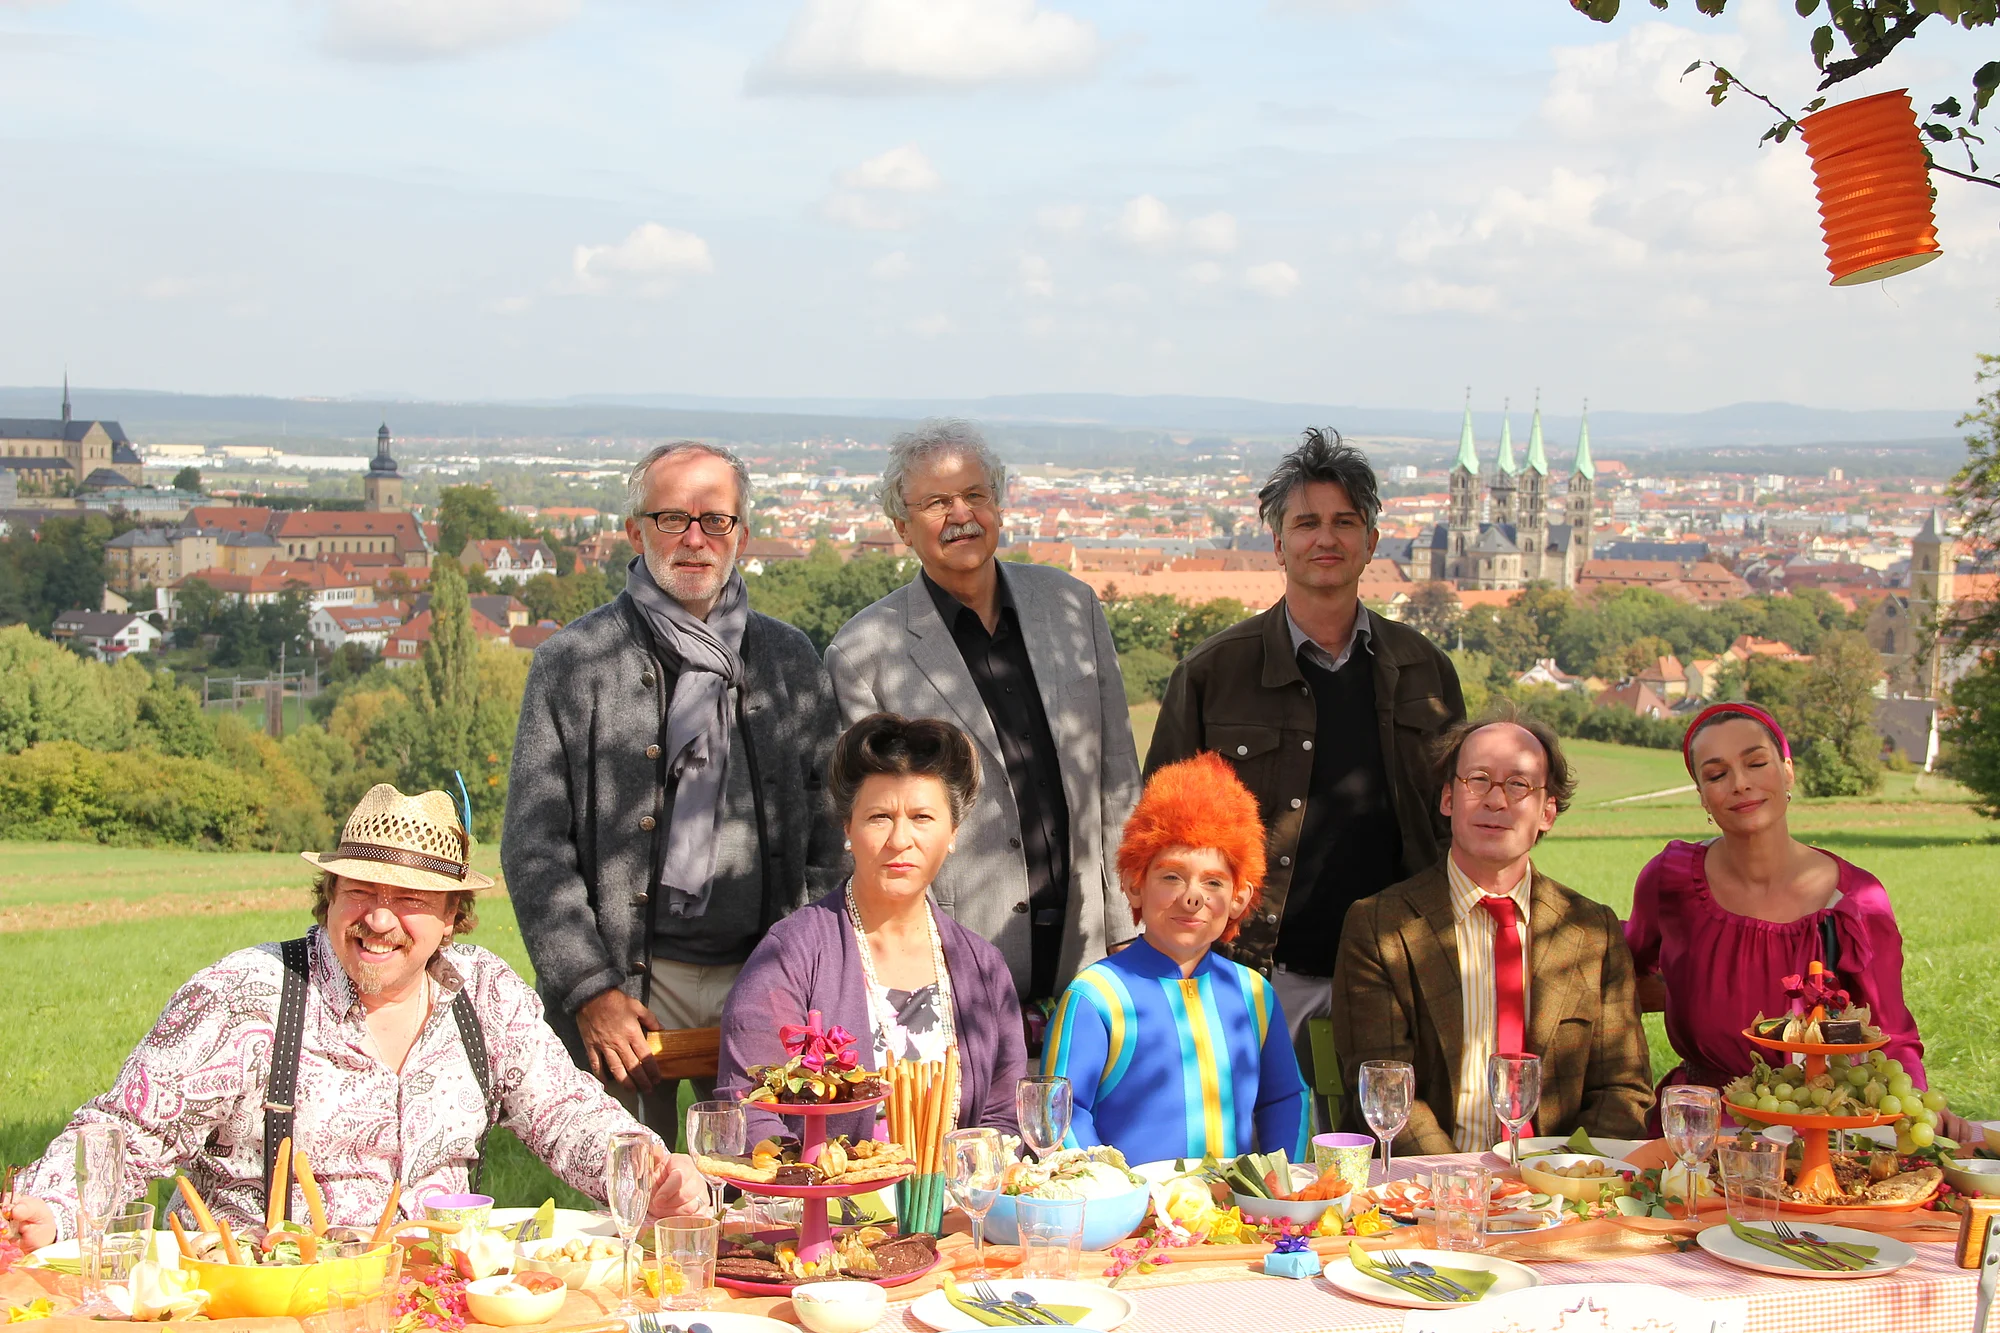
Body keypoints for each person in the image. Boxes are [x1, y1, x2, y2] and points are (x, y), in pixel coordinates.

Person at [2, 785, 706, 1249]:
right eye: (358, 890)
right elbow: (126, 1129)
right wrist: (51, 1208)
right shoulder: (246, 995)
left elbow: (565, 1110)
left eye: (409, 899)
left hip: (431, 1302)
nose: (377, 917)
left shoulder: (483, 995)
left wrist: (645, 1167)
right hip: (262, 1307)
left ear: (453, 918)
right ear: (328, 894)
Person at [504, 440, 846, 1130]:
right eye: (671, 519)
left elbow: (830, 830)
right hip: (628, 993)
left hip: (767, 982)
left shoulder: (788, 658)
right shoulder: (572, 663)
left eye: (715, 520)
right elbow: (536, 845)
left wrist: (803, 971)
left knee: (769, 1195)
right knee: (633, 1205)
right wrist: (589, 987)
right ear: (634, 532)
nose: (695, 538)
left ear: (741, 536)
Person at [1147, 430, 1464, 1067]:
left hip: (1397, 971)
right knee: (1257, 1157)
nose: (1327, 539)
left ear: (1372, 541)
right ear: (1278, 542)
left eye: (1346, 522)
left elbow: (1452, 821)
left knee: (1388, 1152)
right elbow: (1161, 835)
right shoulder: (1214, 673)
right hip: (1255, 974)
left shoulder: (1425, 671)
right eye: (1307, 522)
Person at [824, 421, 1140, 1036]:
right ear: (901, 527)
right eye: (937, 503)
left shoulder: (1073, 608)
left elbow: (1119, 782)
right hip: (954, 964)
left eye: (976, 495)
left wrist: (1130, 929)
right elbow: (883, 828)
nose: (961, 515)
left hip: (1091, 952)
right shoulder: (865, 652)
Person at [1627, 702, 1976, 1140]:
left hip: (1821, 1129)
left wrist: (1917, 1109)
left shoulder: (1855, 901)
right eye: (1717, 775)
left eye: (1756, 763)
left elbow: (1891, 1033)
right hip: (1698, 1131)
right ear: (1702, 795)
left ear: (1787, 771)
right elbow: (1619, 963)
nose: (1741, 784)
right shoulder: (1671, 879)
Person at [1330, 717, 1652, 1153]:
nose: (1496, 801)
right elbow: (1386, 1089)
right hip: (1430, 1190)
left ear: (1548, 811)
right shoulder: (1380, 926)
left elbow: (1622, 1088)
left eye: (1519, 785)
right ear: (1448, 797)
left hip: (1557, 1191)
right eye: (1478, 780)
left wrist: (1561, 1177)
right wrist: (1457, 1185)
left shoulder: (1592, 931)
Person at [715, 713, 1027, 1146]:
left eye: (922, 817)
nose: (900, 839)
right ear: (847, 828)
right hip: (823, 1206)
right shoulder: (790, 955)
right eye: (879, 817)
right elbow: (750, 1107)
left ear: (953, 832)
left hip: (955, 1207)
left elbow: (1002, 1115)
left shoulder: (984, 967)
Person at [1042, 752, 1310, 1163]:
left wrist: (1278, 1183)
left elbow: (1285, 1097)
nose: (1192, 896)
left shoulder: (1253, 992)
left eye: (1214, 881)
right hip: (1132, 1221)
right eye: (1171, 876)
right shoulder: (1095, 996)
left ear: (1239, 898)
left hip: (1234, 1221)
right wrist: (1117, 1195)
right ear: (1134, 886)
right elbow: (1060, 1114)